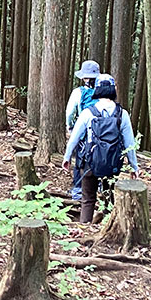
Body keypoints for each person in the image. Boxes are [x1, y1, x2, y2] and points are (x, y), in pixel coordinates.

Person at [62, 74, 140, 224]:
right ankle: (107, 228)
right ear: (113, 90)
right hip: (112, 164)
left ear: (96, 90)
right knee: (108, 198)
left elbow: (74, 138)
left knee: (88, 198)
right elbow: (129, 143)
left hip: (89, 163)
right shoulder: (122, 114)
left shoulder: (88, 113)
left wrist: (67, 158)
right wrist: (133, 167)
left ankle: (84, 227)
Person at [65, 60, 101, 200]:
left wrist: (70, 126)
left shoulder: (78, 92)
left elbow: (69, 113)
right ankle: (99, 189)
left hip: (84, 132)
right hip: (102, 133)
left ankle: (78, 190)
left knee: (80, 160)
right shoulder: (104, 91)